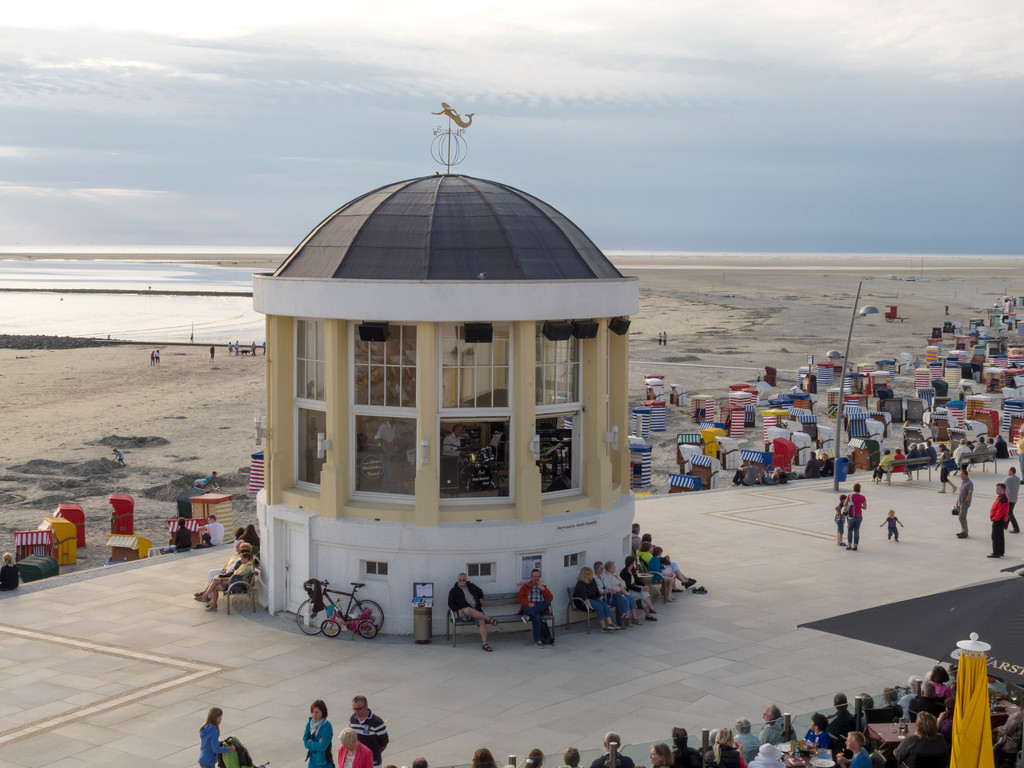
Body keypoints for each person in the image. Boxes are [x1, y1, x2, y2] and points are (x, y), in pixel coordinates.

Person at [447, 572, 498, 651]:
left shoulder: (471, 586)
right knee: (468, 609)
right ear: (457, 580)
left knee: (481, 621)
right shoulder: (454, 591)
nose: (462, 581)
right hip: (464, 613)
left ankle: (485, 644)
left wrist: (481, 598)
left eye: (463, 580)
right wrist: (458, 610)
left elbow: (480, 591)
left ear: (466, 580)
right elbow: (450, 604)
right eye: (460, 580)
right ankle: (488, 618)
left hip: (476, 611)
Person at [573, 566, 619, 633]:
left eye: (591, 573)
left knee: (604, 605)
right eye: (588, 574)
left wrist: (601, 598)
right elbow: (585, 597)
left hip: (592, 598)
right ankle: (603, 627)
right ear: (584, 575)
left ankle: (610, 623)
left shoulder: (592, 580)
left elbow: (596, 591)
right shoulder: (581, 583)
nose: (590, 575)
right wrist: (590, 607)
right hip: (582, 601)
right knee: (599, 607)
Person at [517, 568, 554, 647]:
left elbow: (550, 599)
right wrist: (528, 603)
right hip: (529, 606)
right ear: (531, 577)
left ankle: (527, 616)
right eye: (534, 576)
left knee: (546, 602)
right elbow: (520, 598)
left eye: (537, 576)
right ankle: (538, 640)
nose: (535, 578)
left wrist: (543, 589)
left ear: (540, 577)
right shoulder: (525, 587)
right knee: (537, 616)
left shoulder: (543, 587)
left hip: (540, 606)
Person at [595, 561, 638, 627]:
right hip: (604, 595)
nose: (602, 570)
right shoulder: (595, 578)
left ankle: (623, 619)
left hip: (612, 593)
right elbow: (598, 589)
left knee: (622, 599)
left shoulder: (603, 576)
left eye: (603, 568)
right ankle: (622, 619)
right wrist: (607, 590)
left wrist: (622, 587)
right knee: (622, 601)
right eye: (601, 569)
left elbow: (609, 585)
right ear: (596, 569)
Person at [349, 696, 389, 768]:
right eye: (354, 709)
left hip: (373, 763)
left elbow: (384, 743)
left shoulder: (377, 722)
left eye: (359, 709)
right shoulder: (352, 719)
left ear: (366, 706)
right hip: (357, 762)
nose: (356, 712)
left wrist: (372, 754)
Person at [620, 556, 656, 621]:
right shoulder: (624, 572)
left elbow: (637, 580)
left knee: (644, 593)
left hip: (634, 588)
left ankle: (649, 611)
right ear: (631, 563)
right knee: (643, 593)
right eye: (634, 561)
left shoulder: (633, 570)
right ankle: (649, 611)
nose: (635, 563)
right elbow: (628, 585)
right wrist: (640, 589)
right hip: (628, 590)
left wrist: (644, 585)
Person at [304, 699, 334, 768]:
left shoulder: (327, 726)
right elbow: (305, 743)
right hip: (312, 761)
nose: (314, 715)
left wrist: (311, 742)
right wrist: (317, 743)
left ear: (323, 712)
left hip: (324, 763)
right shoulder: (309, 724)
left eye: (317, 712)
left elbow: (322, 747)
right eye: (312, 712)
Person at [988, 482, 1009, 558]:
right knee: (1000, 536)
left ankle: (996, 553)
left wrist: (995, 519)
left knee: (995, 536)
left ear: (1003, 489)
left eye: (998, 488)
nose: (996, 490)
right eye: (996, 488)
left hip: (999, 520)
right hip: (1000, 520)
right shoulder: (1001, 497)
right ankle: (1000, 551)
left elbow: (1001, 511)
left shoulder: (1003, 498)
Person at [846, 484, 866, 551]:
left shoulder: (850, 496)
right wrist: (859, 506)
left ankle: (849, 545)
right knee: (856, 530)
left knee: (850, 529)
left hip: (851, 515)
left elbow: (844, 504)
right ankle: (855, 546)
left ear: (853, 488)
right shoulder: (863, 497)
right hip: (859, 516)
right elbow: (865, 507)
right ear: (860, 489)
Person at [955, 470, 974, 538]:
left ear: (966, 475)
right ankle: (963, 531)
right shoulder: (963, 482)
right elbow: (960, 493)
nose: (961, 476)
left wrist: (965, 502)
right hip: (960, 502)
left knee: (962, 517)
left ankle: (965, 532)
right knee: (961, 517)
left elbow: (970, 493)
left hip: (964, 503)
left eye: (962, 475)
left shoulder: (969, 483)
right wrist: (957, 501)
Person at [1003, 467, 1020, 533]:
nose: (1008, 472)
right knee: (1009, 512)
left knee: (1009, 513)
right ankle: (1005, 525)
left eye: (1008, 471)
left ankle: (1016, 528)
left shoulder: (1007, 479)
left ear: (1011, 471)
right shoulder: (1018, 479)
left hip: (1009, 499)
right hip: (1014, 498)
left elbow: (1001, 486)